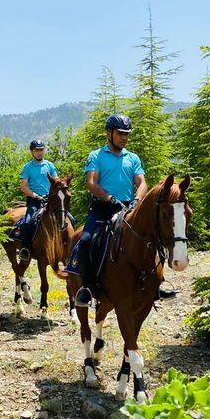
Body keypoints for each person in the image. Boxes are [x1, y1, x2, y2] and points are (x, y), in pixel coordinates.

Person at [73, 114, 147, 307]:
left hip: (128, 208)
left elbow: (142, 183)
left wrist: (137, 199)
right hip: (102, 208)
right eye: (120, 133)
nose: (124, 137)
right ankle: (87, 288)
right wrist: (109, 198)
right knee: (85, 242)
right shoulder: (96, 156)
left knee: (149, 239)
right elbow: (91, 183)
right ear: (109, 133)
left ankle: (154, 284)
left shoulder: (133, 158)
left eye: (126, 134)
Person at [15, 139, 57, 261]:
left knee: (69, 219)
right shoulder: (27, 167)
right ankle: (25, 249)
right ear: (32, 152)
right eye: (36, 150)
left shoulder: (50, 165)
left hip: (50, 200)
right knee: (28, 222)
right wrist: (35, 195)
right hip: (34, 200)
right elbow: (23, 187)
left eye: (41, 150)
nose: (39, 152)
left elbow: (56, 181)